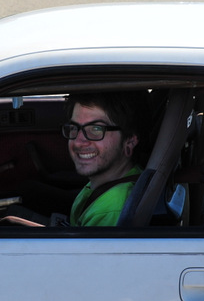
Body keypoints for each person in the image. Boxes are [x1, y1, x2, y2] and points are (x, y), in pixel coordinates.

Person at [63, 91, 148, 227]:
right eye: (74, 128)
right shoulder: (125, 176)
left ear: (129, 141)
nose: (78, 142)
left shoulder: (108, 211)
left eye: (96, 129)